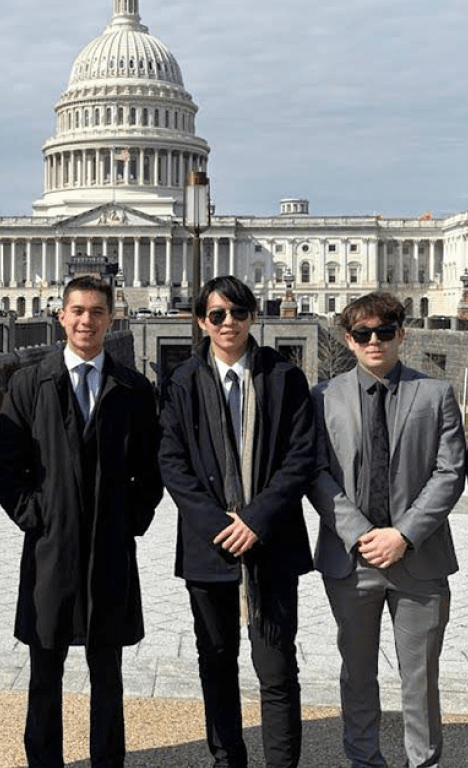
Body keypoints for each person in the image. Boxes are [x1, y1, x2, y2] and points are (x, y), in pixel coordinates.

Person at [0, 275, 162, 768]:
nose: (86, 320)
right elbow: (6, 465)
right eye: (78, 311)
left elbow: (151, 467)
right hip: (52, 546)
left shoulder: (134, 388)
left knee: (107, 672)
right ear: (61, 316)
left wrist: (131, 518)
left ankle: (107, 761)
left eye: (96, 312)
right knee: (45, 670)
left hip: (110, 546)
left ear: (111, 318)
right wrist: (36, 516)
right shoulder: (29, 383)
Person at [159, 275, 315, 768]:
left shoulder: (283, 376)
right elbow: (172, 461)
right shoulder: (182, 381)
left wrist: (255, 519)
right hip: (211, 545)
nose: (229, 323)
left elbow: (301, 456)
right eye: (218, 315)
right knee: (217, 663)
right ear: (202, 321)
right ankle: (228, 759)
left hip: (269, 541)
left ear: (253, 316)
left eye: (239, 313)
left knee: (276, 667)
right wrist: (218, 524)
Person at [307, 292, 465, 768]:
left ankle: (424, 761)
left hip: (418, 558)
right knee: (357, 675)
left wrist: (403, 534)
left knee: (419, 677)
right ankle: (363, 759)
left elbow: (450, 471)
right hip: (351, 561)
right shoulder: (324, 397)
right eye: (362, 333)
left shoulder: (435, 394)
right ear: (348, 340)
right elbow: (316, 473)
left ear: (402, 334)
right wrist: (359, 533)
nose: (373, 341)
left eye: (383, 331)